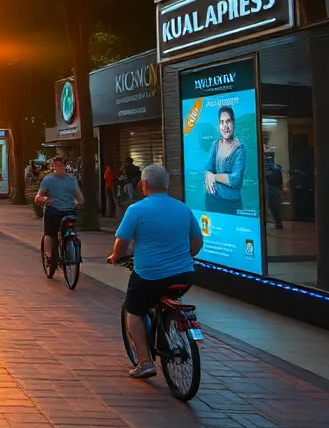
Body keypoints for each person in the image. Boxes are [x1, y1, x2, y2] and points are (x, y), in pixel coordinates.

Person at [106, 164, 204, 380]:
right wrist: (184, 257)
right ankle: (169, 324)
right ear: (167, 184)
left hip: (149, 275)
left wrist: (115, 257)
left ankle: (145, 362)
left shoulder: (136, 210)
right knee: (165, 297)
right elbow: (197, 241)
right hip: (184, 274)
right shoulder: (183, 209)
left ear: (144, 184)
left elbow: (121, 243)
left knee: (134, 310)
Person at [203, 106, 246, 215]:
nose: (225, 126)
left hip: (230, 205)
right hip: (212, 203)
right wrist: (208, 173)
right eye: (222, 122)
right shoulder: (215, 145)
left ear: (233, 122)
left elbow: (235, 179)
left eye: (228, 121)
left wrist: (213, 176)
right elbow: (208, 168)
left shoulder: (240, 149)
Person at [35, 156, 85, 245]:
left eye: (59, 166)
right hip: (70, 212)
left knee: (48, 234)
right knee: (71, 229)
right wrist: (74, 204)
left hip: (54, 212)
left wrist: (45, 199)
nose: (60, 168)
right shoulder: (72, 180)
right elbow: (80, 200)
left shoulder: (47, 180)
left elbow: (38, 198)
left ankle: (48, 256)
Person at [265, 161, 284, 229]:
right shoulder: (277, 168)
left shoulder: (265, 168)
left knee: (266, 206)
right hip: (275, 188)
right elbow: (280, 181)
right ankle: (278, 222)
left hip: (267, 187)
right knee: (273, 206)